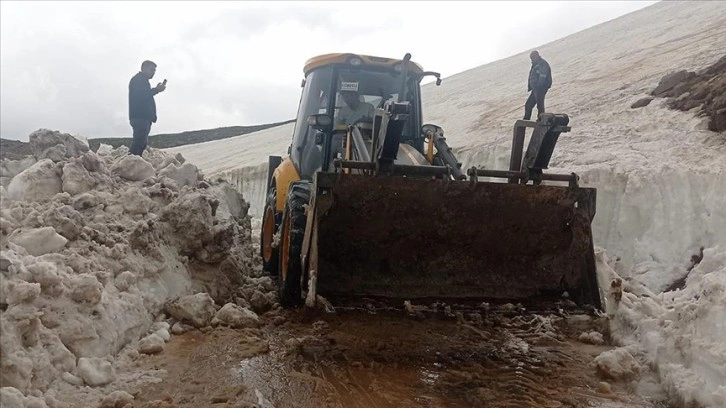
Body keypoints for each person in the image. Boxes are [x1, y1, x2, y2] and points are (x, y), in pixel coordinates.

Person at [128, 60, 166, 156]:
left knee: (141, 144)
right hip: (140, 117)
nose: (153, 72)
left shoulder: (141, 81)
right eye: (151, 70)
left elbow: (145, 95)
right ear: (144, 68)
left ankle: (133, 165)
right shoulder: (138, 80)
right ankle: (129, 165)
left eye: (154, 71)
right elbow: (143, 96)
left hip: (142, 117)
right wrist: (157, 90)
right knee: (138, 144)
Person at [524, 51, 552, 121]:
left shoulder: (542, 63)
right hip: (536, 88)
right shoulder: (536, 64)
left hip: (540, 87)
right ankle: (526, 120)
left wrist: (539, 86)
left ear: (537, 56)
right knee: (528, 105)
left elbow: (543, 75)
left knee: (539, 104)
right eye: (531, 58)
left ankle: (541, 119)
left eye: (533, 57)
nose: (532, 59)